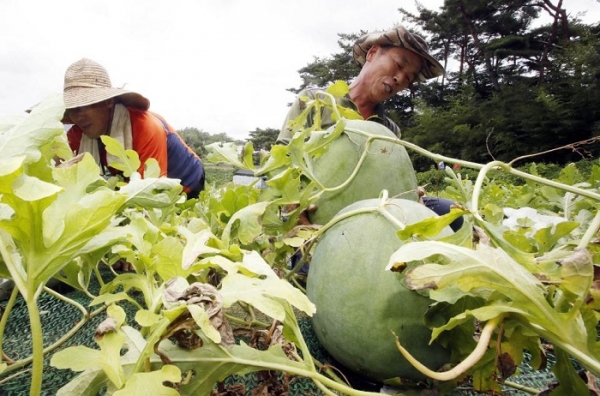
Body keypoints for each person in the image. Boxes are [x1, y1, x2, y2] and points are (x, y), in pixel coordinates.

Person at [278, 25, 463, 232]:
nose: (400, 79)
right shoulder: (316, 100)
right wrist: (292, 202)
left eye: (409, 78)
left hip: (371, 213)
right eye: (399, 64)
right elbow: (281, 156)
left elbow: (392, 178)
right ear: (372, 53)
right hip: (319, 212)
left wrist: (410, 193)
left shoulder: (390, 129)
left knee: (452, 213)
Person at [62, 58, 205, 199]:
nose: (78, 117)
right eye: (72, 109)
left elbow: (151, 192)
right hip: (133, 179)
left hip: (187, 180)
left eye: (84, 106)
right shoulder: (78, 134)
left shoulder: (145, 126)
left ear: (108, 102)